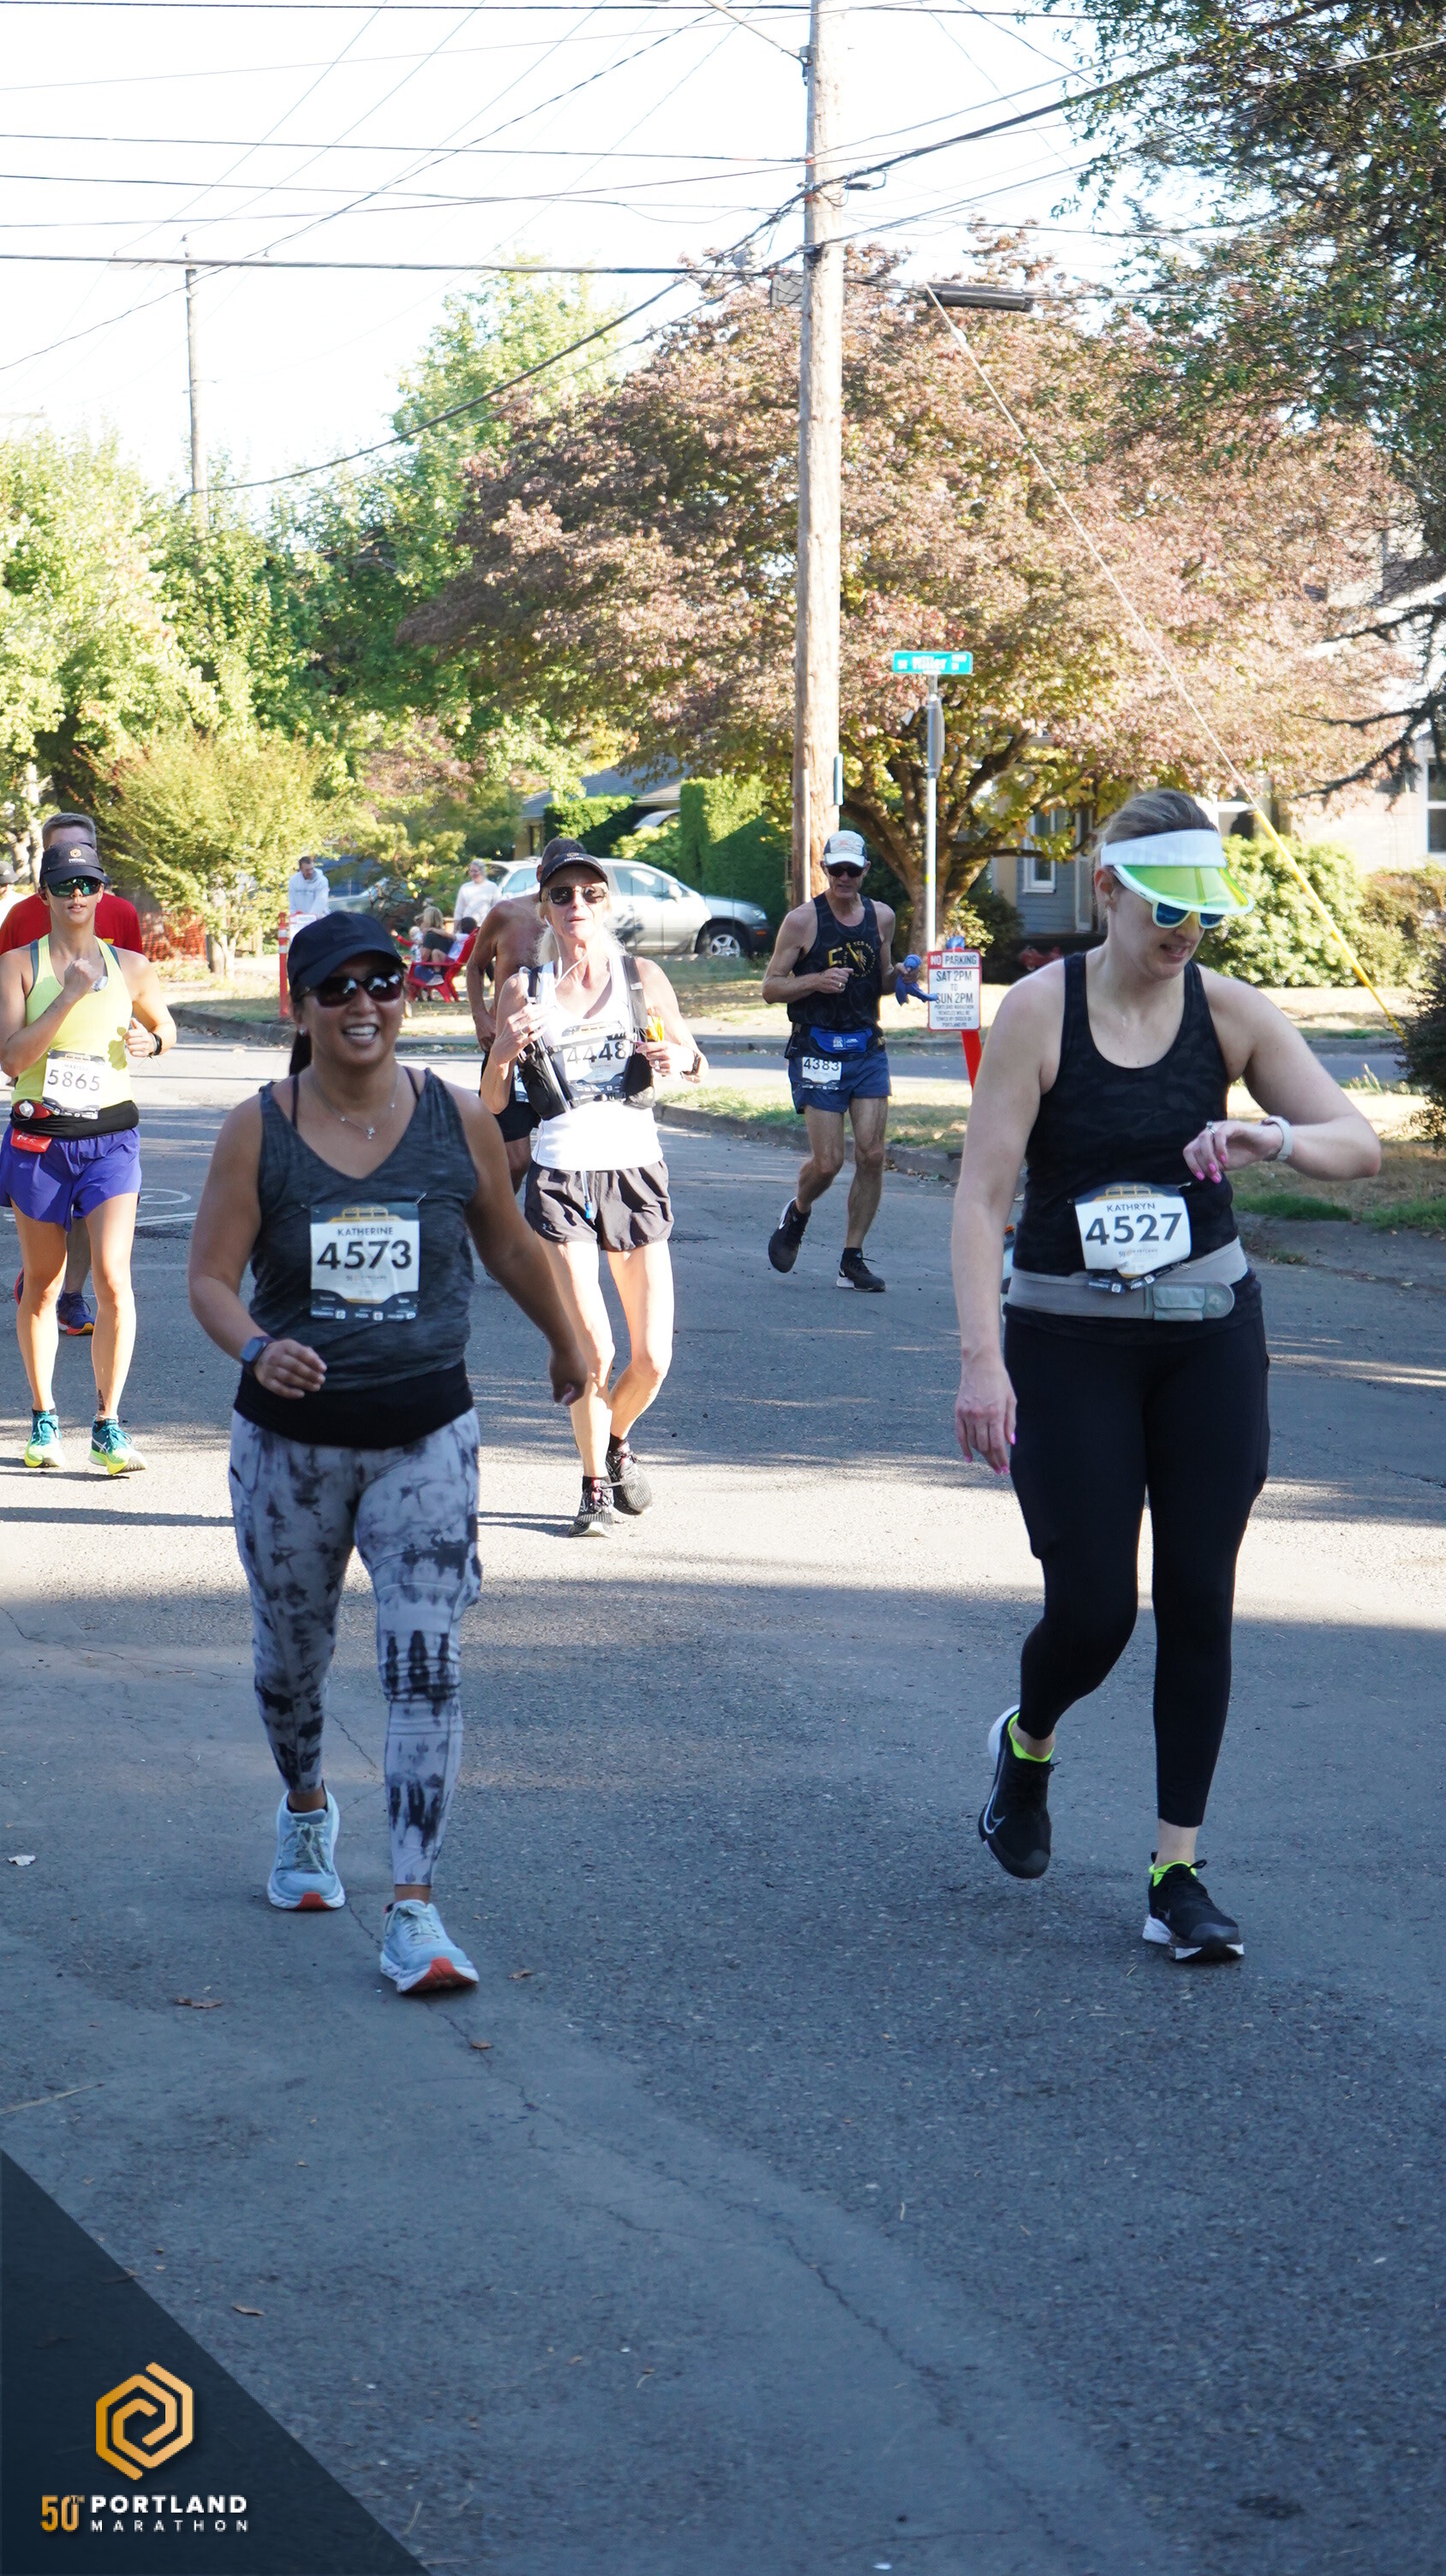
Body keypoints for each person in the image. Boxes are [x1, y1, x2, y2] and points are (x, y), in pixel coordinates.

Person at [951, 790, 1382, 1962]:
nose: (1184, 932)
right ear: (1107, 890)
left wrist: (1267, 1137)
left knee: (1199, 1595)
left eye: (1202, 913)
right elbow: (981, 1198)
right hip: (1066, 1340)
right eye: (1164, 909)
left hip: (1206, 1337)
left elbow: (1358, 1145)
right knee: (1093, 1609)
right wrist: (982, 1363)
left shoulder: (1229, 1013)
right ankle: (1027, 1744)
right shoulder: (1040, 1012)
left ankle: (1174, 1872)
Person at [187, 914, 587, 1995]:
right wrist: (258, 1346)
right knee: (291, 1662)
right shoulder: (256, 1129)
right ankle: (305, 1805)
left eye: (383, 983)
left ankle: (413, 1907)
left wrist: (566, 1337)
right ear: (299, 1005)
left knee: (425, 1663)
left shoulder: (456, 1115)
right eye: (337, 987)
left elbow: (509, 1241)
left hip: (426, 1435)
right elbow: (211, 1278)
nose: (363, 1004)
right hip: (291, 1449)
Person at [481, 838, 705, 1535]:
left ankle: (615, 1441)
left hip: (636, 1172)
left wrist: (678, 1059)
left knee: (653, 1360)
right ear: (544, 908)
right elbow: (493, 1102)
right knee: (595, 1352)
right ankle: (592, 1488)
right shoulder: (525, 989)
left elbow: (696, 1061)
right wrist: (502, 1051)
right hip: (561, 1174)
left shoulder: (642, 978)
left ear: (607, 903)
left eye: (590, 893)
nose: (577, 904)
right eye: (562, 895)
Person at [0, 837, 176, 1473]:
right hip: (40, 1141)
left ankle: (108, 1424)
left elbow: (165, 1026)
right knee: (43, 1285)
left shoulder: (132, 966)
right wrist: (70, 994)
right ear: (44, 894)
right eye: (65, 885)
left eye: (89, 885)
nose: (78, 895)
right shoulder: (18, 965)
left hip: (111, 1140)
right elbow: (11, 1059)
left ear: (102, 892)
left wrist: (153, 1042)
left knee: (113, 1280)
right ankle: (44, 1416)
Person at [3, 814, 145, 1338]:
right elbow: (10, 1022)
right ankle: (47, 1274)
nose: (76, 887)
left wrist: (147, 1039)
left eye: (86, 867)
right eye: (61, 872)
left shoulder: (121, 914)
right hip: (41, 1109)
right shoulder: (20, 921)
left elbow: (138, 991)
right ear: (45, 883)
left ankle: (73, 1291)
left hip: (104, 1113)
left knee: (97, 1219)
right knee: (44, 1258)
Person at [762, 830, 895, 1292]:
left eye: (852, 870)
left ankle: (851, 1259)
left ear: (865, 871)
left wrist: (903, 975)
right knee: (828, 1162)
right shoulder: (802, 921)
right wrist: (815, 981)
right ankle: (798, 1212)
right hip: (817, 1048)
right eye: (836, 869)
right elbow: (770, 987)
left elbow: (882, 979)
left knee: (872, 1154)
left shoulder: (882, 917)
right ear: (824, 869)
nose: (844, 877)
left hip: (866, 1046)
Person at [465, 874, 547, 1190]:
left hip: (559, 1049)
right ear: (540, 872)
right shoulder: (506, 914)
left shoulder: (577, 921)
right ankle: (495, 1213)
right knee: (514, 1161)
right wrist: (480, 1017)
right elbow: (475, 965)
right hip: (511, 1044)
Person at [287, 854, 330, 928]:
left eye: (311, 869)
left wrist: (309, 921)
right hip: (300, 921)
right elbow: (292, 902)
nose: (310, 872)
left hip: (319, 920)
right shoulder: (293, 881)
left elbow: (320, 904)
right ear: (301, 869)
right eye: (307, 870)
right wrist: (294, 917)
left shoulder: (322, 881)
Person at [452, 861, 493, 933]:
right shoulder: (465, 888)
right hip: (467, 928)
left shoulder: (492, 887)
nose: (473, 874)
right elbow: (459, 910)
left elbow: (496, 907)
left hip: (485, 927)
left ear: (482, 871)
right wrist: (455, 930)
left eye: (475, 871)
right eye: (471, 871)